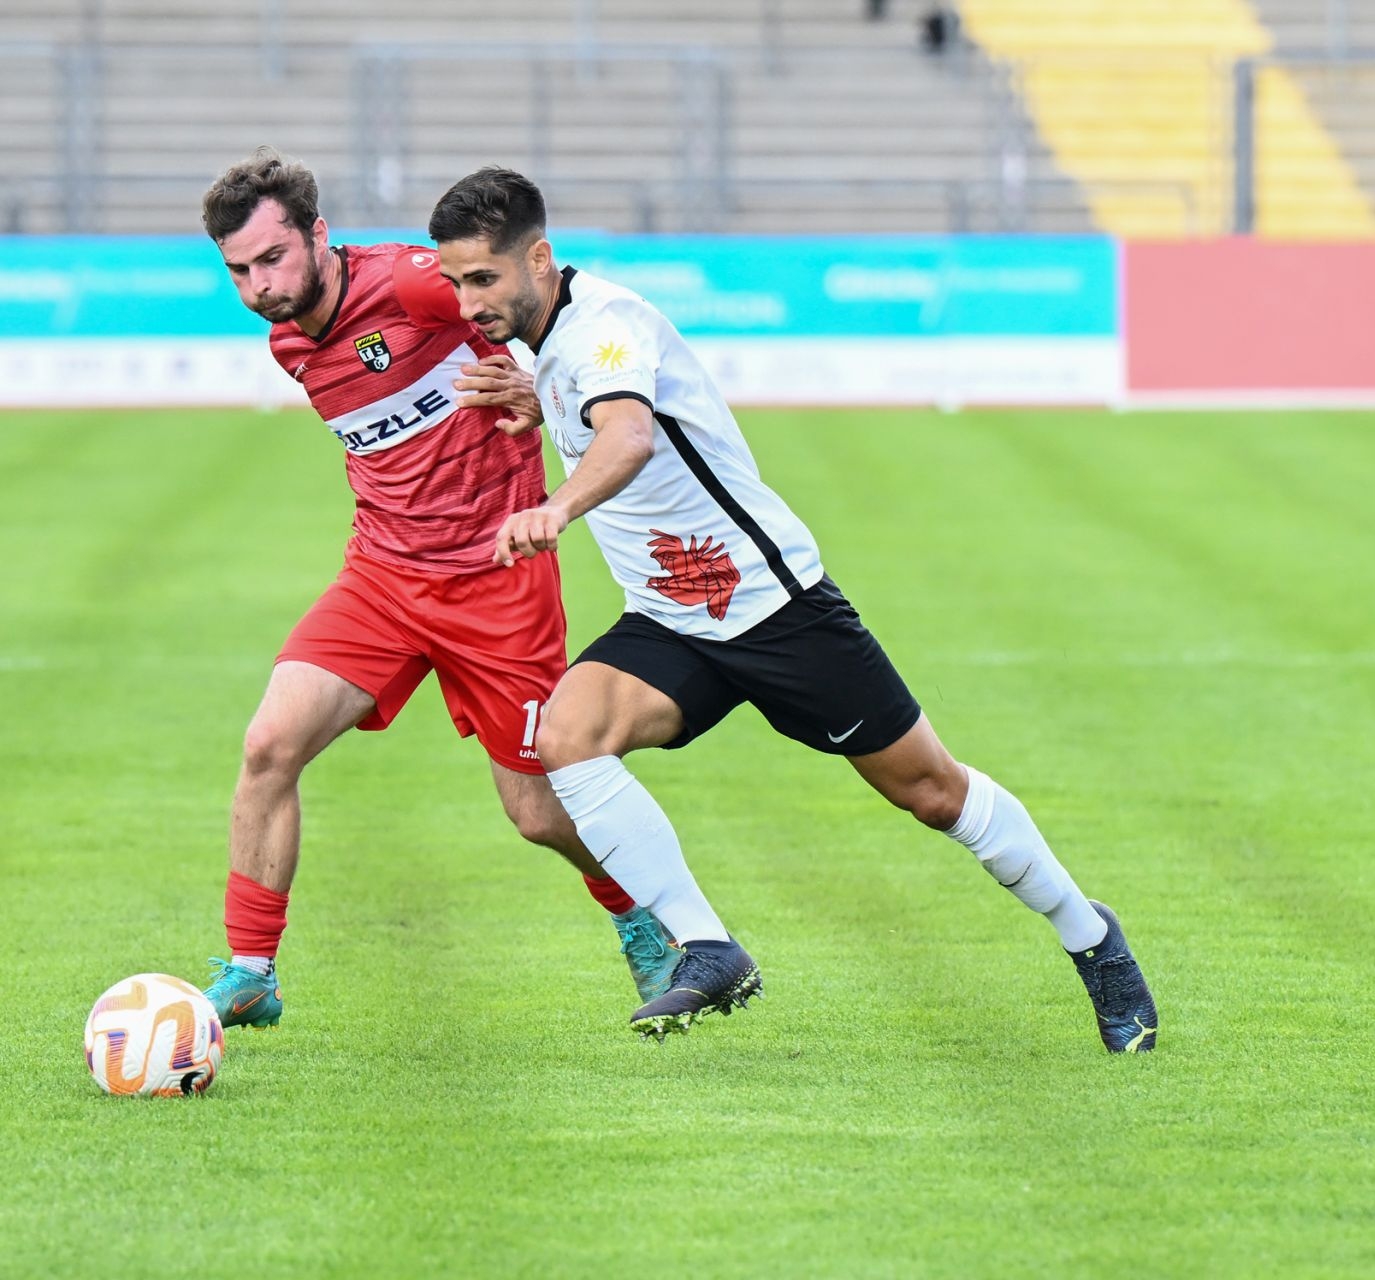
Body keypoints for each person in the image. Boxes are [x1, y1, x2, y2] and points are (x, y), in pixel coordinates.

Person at [426, 167, 1158, 1052]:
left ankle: (1092, 938)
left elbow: (630, 433)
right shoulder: (552, 343)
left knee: (932, 792)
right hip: (673, 618)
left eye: (484, 278)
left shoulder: (604, 328)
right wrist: (541, 402)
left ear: (538, 259)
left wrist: (557, 508)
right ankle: (708, 947)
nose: (468, 303)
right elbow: (611, 414)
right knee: (567, 736)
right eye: (456, 282)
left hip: (775, 608)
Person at [195, 148, 678, 1028]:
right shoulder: (288, 342)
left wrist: (542, 387)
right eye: (240, 270)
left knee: (537, 812)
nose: (260, 286)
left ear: (318, 235)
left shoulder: (412, 284)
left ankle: (640, 916)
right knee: (269, 745)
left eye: (273, 258)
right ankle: (251, 970)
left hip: (497, 579)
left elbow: (537, 303)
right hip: (382, 578)